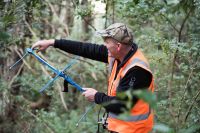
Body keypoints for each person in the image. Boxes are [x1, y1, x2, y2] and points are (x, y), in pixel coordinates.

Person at [32, 23, 154, 133]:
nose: (104, 46)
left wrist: (96, 96)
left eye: (107, 42)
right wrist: (52, 42)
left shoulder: (137, 70)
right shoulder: (118, 54)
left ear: (118, 46)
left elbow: (121, 105)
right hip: (119, 128)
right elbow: (85, 48)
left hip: (134, 130)